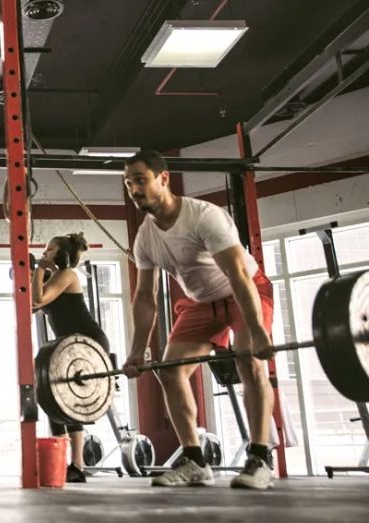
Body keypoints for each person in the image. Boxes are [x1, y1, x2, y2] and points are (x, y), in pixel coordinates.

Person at [123, 149, 276, 490]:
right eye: (129, 183)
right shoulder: (145, 237)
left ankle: (260, 457)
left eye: (141, 180)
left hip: (244, 290)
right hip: (199, 304)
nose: (134, 189)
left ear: (163, 179)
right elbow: (145, 298)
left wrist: (256, 331)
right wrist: (137, 351)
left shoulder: (204, 216)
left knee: (249, 360)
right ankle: (195, 460)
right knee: (169, 371)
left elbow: (238, 275)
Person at [31, 232, 110, 483]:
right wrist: (37, 272)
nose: (45, 253)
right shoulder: (53, 279)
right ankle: (61, 460)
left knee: (70, 401)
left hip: (88, 342)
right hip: (66, 346)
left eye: (50, 249)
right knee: (49, 396)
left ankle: (78, 464)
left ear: (63, 255)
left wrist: (39, 270)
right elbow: (32, 304)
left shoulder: (67, 275)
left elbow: (38, 299)